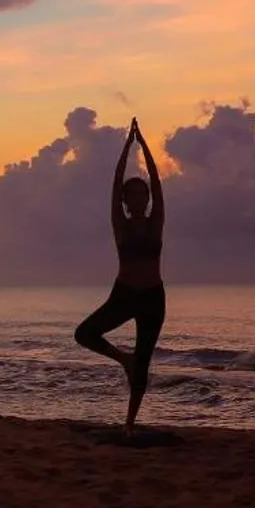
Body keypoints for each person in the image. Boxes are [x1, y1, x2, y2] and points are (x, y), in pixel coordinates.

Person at [73, 117, 166, 435]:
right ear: (126, 202)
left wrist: (146, 147)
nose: (139, 198)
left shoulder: (156, 222)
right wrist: (128, 147)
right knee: (84, 334)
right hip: (125, 294)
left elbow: (156, 181)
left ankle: (129, 424)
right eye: (133, 195)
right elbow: (115, 188)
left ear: (147, 199)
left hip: (153, 297)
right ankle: (121, 358)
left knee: (144, 361)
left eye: (143, 194)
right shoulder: (121, 224)